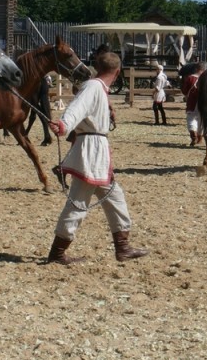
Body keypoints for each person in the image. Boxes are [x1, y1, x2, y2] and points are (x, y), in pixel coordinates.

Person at [47, 52, 148, 265]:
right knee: (78, 202)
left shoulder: (98, 89)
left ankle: (123, 248)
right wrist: (64, 124)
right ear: (118, 72)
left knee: (115, 197)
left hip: (97, 151)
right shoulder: (93, 87)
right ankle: (57, 254)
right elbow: (77, 108)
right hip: (91, 152)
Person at [180, 62, 205, 146]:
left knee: (191, 118)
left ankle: (194, 136)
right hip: (204, 102)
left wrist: (187, 95)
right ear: (203, 69)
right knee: (201, 120)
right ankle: (200, 137)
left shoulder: (190, 78)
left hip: (192, 101)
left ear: (196, 69)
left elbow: (184, 90)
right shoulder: (206, 78)